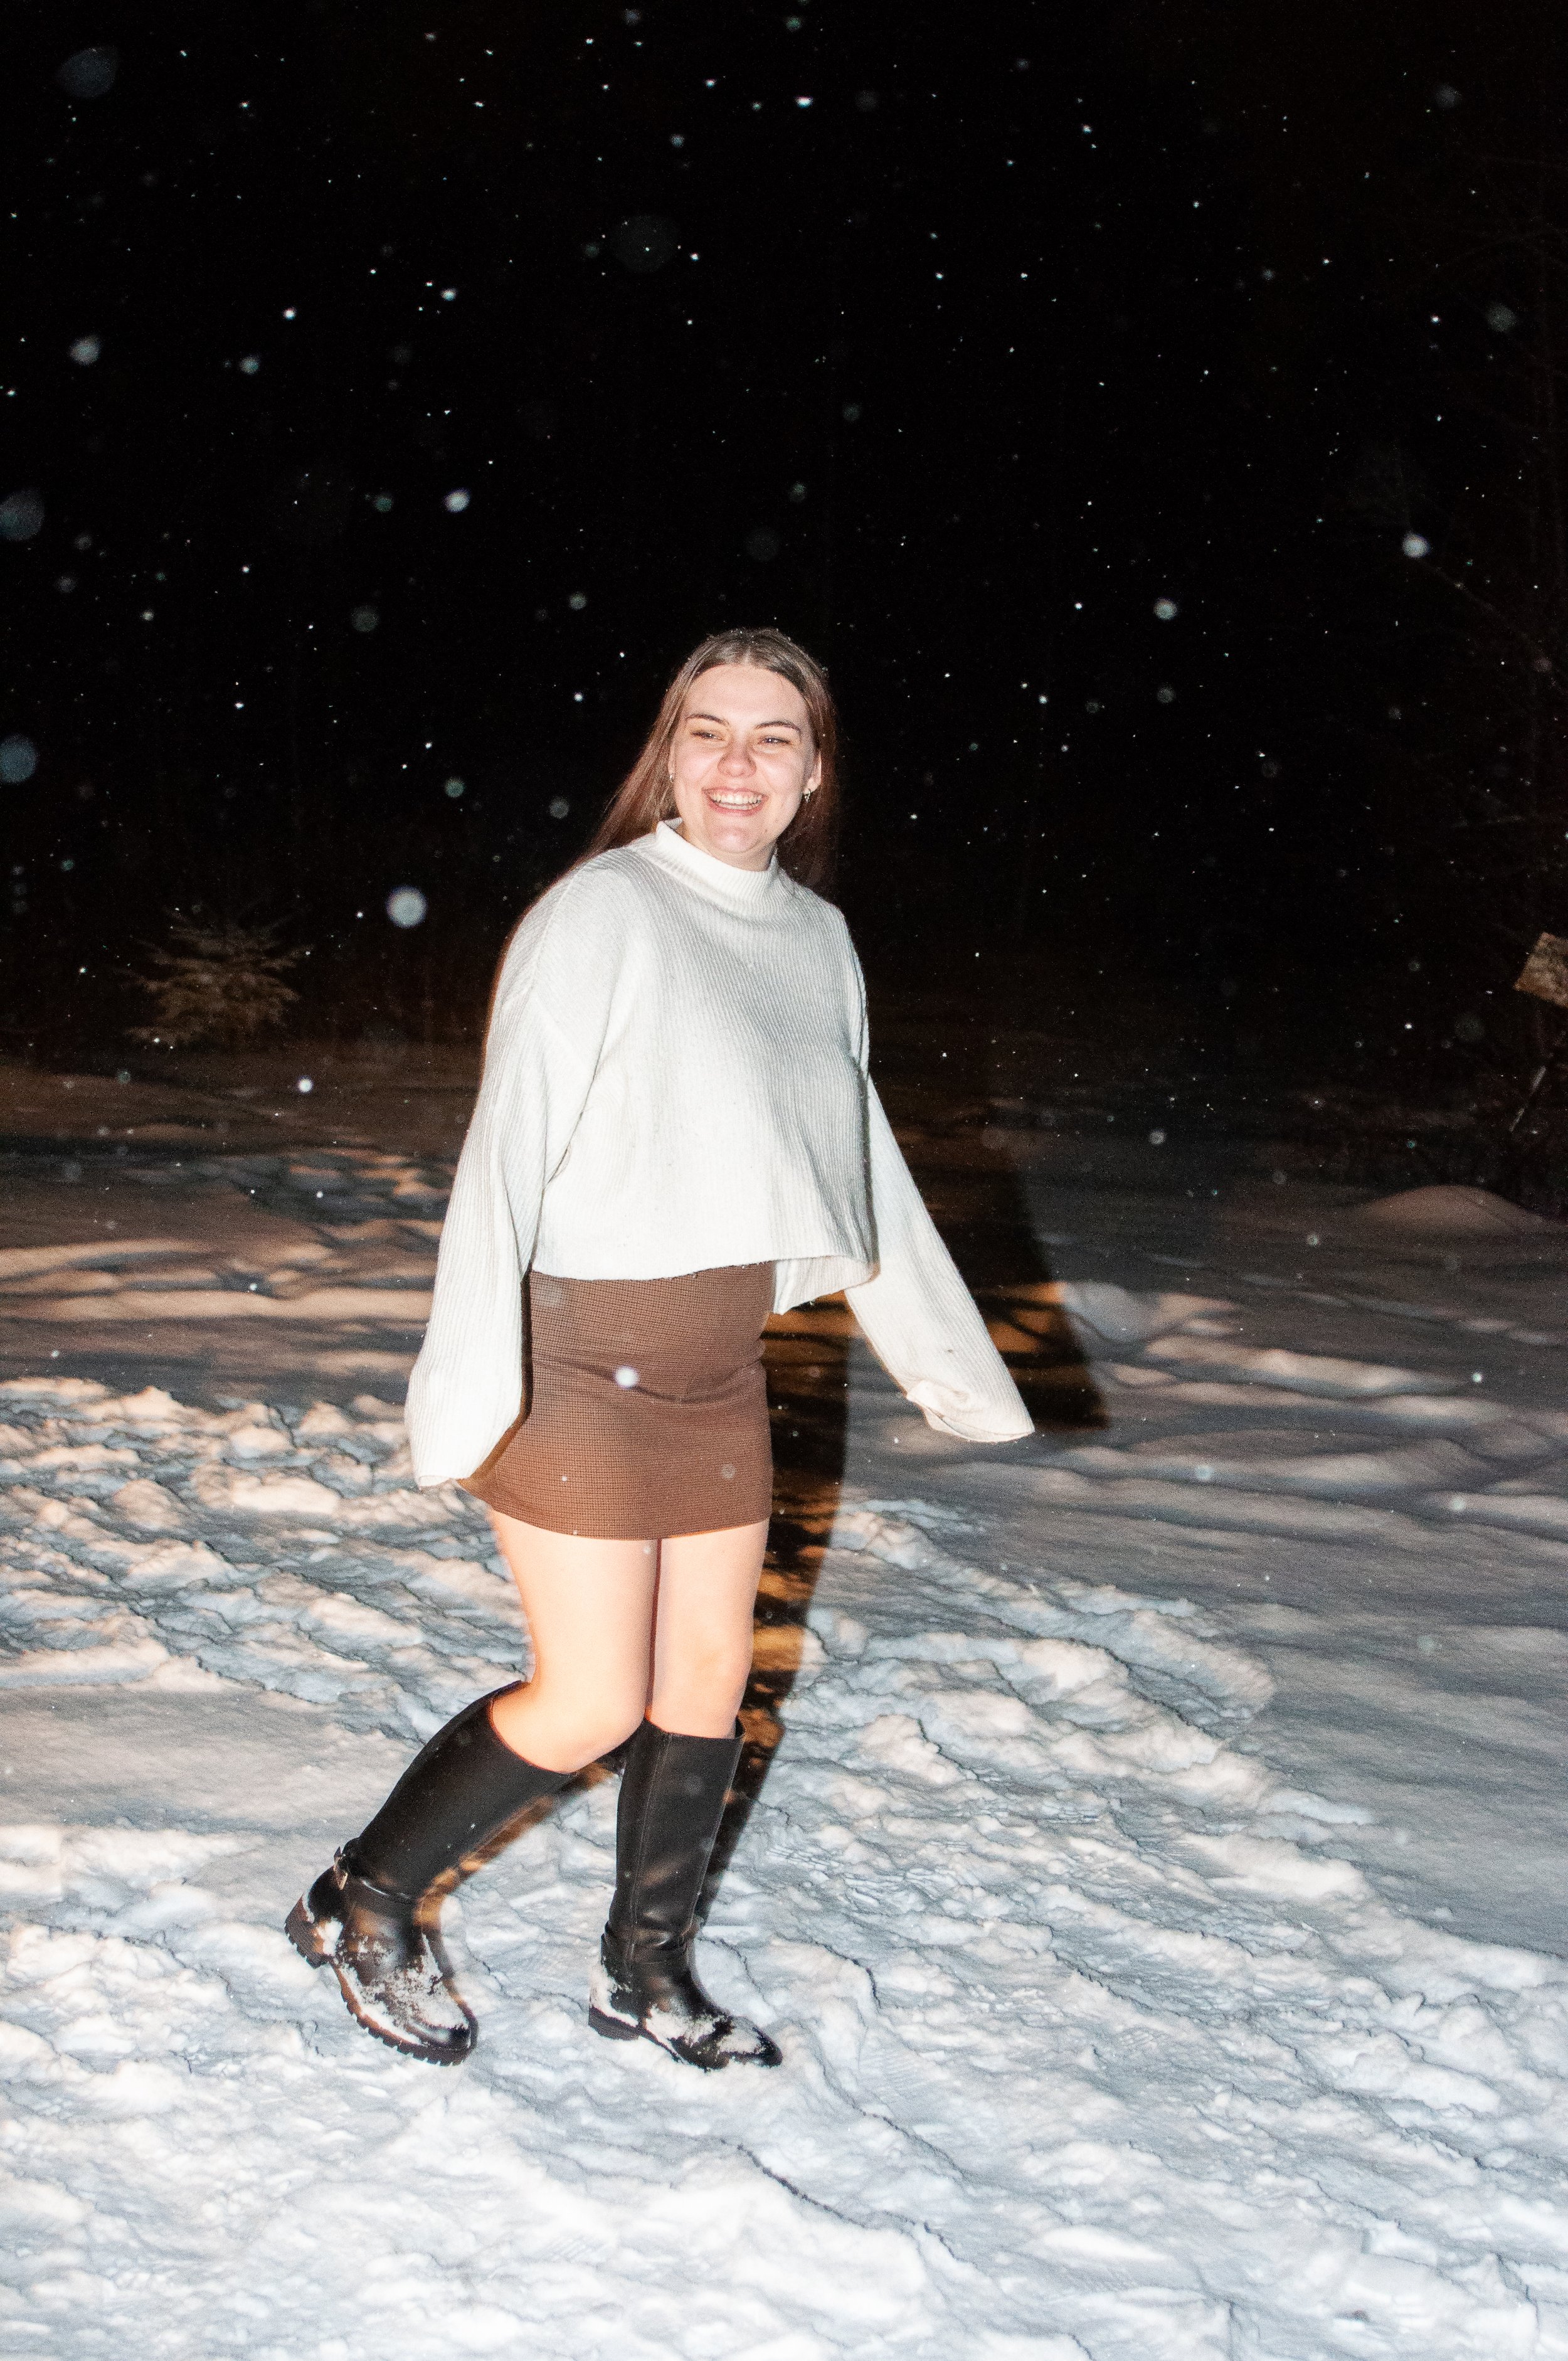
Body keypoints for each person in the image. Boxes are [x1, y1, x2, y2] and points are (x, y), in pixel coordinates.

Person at [287, 627, 1032, 2071]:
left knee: (704, 1685)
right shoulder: (605, 913)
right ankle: (360, 1898)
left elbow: (855, 1154)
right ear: (665, 753)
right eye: (707, 730)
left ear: (811, 772)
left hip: (716, 1372)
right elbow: (504, 1150)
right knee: (587, 1698)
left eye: (771, 737)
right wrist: (465, 1375)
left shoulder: (814, 940)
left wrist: (945, 1358)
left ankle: (645, 1969)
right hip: (575, 1360)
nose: (735, 763)